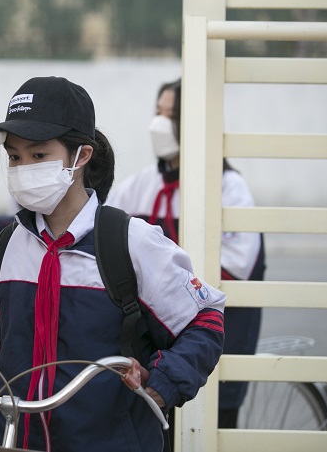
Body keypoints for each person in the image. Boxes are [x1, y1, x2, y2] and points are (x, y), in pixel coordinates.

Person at [0, 76, 226, 452]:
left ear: (82, 156)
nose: (23, 167)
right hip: (17, 441)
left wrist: (164, 381)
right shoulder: (8, 245)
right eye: (15, 157)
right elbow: (6, 351)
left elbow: (205, 320)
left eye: (38, 155)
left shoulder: (130, 241)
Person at [107, 78, 264, 434]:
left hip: (212, 340)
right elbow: (95, 226)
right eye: (158, 112)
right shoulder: (141, 184)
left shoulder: (230, 189)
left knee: (214, 430)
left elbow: (235, 265)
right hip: (154, 353)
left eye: (172, 115)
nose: (160, 124)